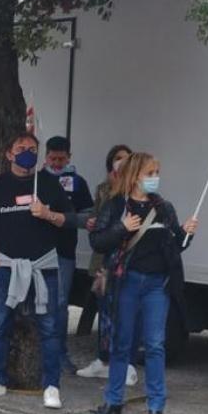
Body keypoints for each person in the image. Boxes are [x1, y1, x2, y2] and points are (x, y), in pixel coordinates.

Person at [90, 152, 198, 414]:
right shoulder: (116, 205)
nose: (155, 178)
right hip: (126, 282)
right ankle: (113, 400)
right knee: (121, 343)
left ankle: (156, 406)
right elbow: (98, 241)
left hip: (156, 285)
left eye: (157, 172)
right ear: (136, 175)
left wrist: (187, 233)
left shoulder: (164, 208)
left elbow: (176, 246)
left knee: (154, 344)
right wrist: (121, 228)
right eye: (150, 173)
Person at [0, 132, 74, 410]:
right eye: (21, 148)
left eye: (32, 148)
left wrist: (49, 214)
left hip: (44, 267)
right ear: (9, 154)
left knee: (50, 327)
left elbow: (73, 219)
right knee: (1, 324)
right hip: (5, 266)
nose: (27, 152)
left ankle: (51, 385)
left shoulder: (50, 185)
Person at [77, 145, 138, 385]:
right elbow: (100, 221)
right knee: (105, 314)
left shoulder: (139, 189)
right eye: (117, 159)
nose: (121, 163)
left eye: (125, 159)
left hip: (129, 260)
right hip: (105, 259)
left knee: (126, 315)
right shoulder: (104, 189)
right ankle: (102, 360)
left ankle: (126, 364)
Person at [41, 136, 95, 374]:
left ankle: (60, 354)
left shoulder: (78, 183)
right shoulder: (36, 180)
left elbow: (89, 219)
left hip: (64, 252)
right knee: (37, 303)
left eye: (61, 159)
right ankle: (37, 352)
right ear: (46, 156)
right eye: (52, 158)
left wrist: (61, 218)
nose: (56, 163)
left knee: (60, 304)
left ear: (69, 157)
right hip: (36, 252)